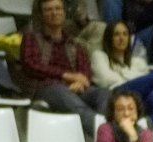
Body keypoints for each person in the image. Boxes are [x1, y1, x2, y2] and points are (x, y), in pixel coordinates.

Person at [21, 0, 111, 128]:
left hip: (75, 88)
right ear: (41, 15)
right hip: (46, 88)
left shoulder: (73, 43)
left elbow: (85, 69)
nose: (54, 13)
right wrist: (67, 75)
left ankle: (105, 130)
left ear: (64, 13)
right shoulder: (31, 38)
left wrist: (81, 82)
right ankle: (105, 132)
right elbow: (31, 65)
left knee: (104, 94)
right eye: (48, 10)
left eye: (58, 9)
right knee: (67, 97)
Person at [90, 19, 153, 122]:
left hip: (137, 99)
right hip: (115, 93)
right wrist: (134, 79)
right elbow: (104, 79)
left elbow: (144, 84)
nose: (122, 38)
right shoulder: (99, 55)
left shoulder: (138, 61)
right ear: (109, 38)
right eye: (116, 34)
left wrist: (126, 77)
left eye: (125, 34)